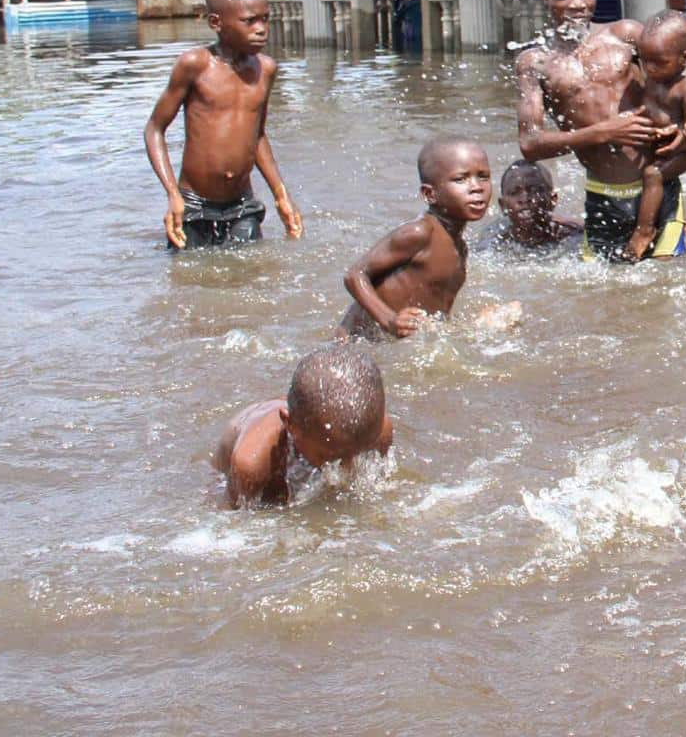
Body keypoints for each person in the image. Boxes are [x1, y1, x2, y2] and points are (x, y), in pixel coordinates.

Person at [515, 0, 668, 262]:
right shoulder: (535, 63)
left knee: (667, 289)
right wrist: (604, 132)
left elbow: (681, 81)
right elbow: (530, 144)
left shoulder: (626, 35)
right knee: (602, 296)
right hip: (602, 195)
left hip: (656, 187)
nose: (578, 5)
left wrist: (685, 138)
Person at [143, 0, 302, 249]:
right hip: (193, 204)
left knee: (251, 276)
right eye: (249, 21)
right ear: (216, 22)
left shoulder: (265, 69)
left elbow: (258, 135)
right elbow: (154, 129)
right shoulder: (195, 65)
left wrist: (281, 194)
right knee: (189, 281)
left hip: (242, 204)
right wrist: (172, 194)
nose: (261, 28)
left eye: (265, 19)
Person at [339, 136, 517, 338]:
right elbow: (354, 275)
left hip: (393, 343)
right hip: (353, 346)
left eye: (483, 176)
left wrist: (477, 328)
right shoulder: (419, 233)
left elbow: (435, 320)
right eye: (460, 179)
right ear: (429, 194)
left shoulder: (460, 248)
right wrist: (389, 320)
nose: (476, 187)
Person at [211, 344, 393, 507]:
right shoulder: (251, 463)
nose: (347, 465)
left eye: (358, 452)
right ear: (289, 424)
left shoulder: (374, 431)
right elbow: (231, 519)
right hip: (232, 471)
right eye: (330, 456)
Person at [625, 9, 686, 262]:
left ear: (685, 58)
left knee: (654, 175)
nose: (650, 68)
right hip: (663, 141)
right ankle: (674, 218)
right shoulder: (652, 75)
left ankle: (644, 231)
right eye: (644, 60)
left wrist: (680, 137)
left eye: (659, 62)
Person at [493, 159, 582, 250]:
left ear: (552, 200)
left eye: (534, 191)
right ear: (503, 205)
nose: (525, 199)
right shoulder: (496, 242)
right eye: (514, 192)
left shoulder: (572, 235)